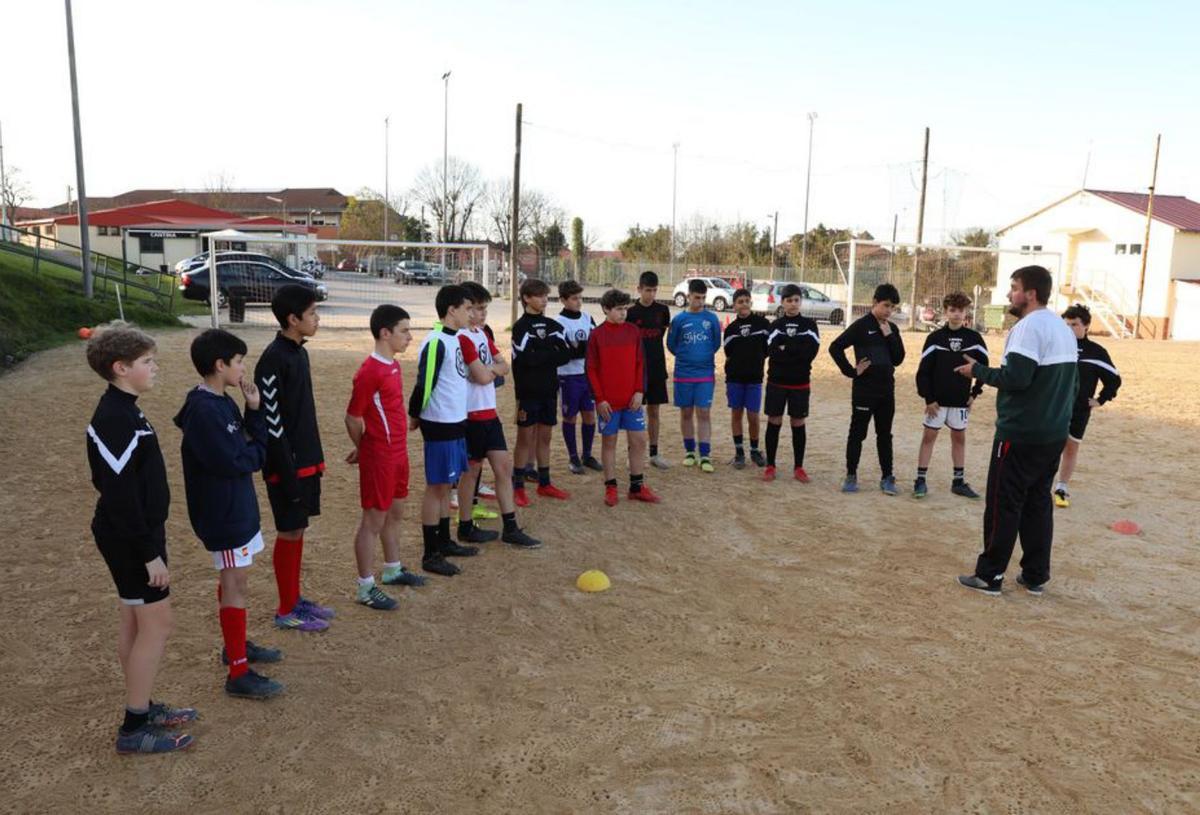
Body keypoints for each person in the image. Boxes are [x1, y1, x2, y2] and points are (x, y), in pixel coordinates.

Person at [85, 323, 197, 754]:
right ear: (121, 368)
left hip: (134, 533)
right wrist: (149, 553)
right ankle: (133, 727)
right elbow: (118, 495)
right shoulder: (115, 417)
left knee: (135, 621)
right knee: (158, 624)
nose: (155, 368)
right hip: (131, 538)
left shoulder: (126, 408)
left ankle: (142, 705)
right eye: (147, 362)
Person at [955, 265, 1079, 596]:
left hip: (1021, 433)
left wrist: (977, 371)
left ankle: (990, 575)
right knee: (1038, 503)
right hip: (1052, 434)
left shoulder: (1028, 328)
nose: (1010, 294)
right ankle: (1035, 575)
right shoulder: (1063, 328)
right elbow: (1072, 384)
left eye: (1014, 288)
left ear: (1031, 293)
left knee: (1003, 503)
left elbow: (1017, 378)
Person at [175, 329, 285, 699]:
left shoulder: (221, 401)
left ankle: (234, 645)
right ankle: (238, 672)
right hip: (222, 513)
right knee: (235, 584)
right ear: (219, 365)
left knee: (236, 581)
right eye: (238, 362)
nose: (243, 368)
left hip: (236, 506)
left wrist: (253, 410)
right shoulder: (204, 410)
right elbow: (237, 460)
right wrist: (259, 449)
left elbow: (243, 446)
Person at [254, 285, 334, 632]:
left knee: (298, 529)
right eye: (312, 313)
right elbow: (272, 424)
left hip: (305, 460)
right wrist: (286, 471)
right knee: (288, 532)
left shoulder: (300, 353)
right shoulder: (273, 360)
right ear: (292, 319)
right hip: (285, 466)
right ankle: (286, 610)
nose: (317, 319)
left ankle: (294, 597)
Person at [408, 284, 496, 576]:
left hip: (457, 421)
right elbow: (425, 382)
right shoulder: (436, 341)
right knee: (437, 487)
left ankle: (445, 541)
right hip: (440, 423)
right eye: (467, 308)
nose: (471, 314)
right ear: (451, 310)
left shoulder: (456, 338)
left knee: (447, 486)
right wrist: (415, 415)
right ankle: (430, 553)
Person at [344, 305, 427, 612]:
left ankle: (392, 569)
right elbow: (352, 417)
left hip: (397, 454)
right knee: (372, 521)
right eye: (404, 331)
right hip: (380, 457)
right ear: (385, 333)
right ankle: (365, 587)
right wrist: (365, 448)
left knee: (395, 513)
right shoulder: (369, 372)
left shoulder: (393, 365)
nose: (410, 337)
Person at [454, 281, 542, 548]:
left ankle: (511, 528)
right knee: (471, 472)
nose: (482, 314)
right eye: (477, 308)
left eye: (485, 309)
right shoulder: (462, 337)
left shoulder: (482, 334)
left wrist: (488, 369)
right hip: (470, 416)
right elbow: (482, 376)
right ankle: (465, 525)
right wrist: (490, 370)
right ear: (464, 308)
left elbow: (503, 367)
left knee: (503, 469)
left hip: (489, 415)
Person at [829, 283, 906, 494]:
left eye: (893, 307)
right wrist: (851, 371)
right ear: (874, 302)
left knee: (885, 434)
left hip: (886, 391)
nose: (889, 311)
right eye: (886, 305)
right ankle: (851, 475)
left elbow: (898, 359)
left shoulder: (892, 328)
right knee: (857, 433)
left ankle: (887, 477)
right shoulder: (861, 326)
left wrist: (889, 336)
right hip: (864, 390)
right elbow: (835, 347)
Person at [587, 289, 661, 506]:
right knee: (609, 443)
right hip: (608, 403)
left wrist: (639, 391)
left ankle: (636, 487)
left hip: (632, 401)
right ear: (606, 309)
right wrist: (599, 399)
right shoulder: (596, 335)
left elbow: (640, 363)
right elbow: (591, 369)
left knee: (639, 440)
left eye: (625, 309)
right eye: (619, 309)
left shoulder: (633, 331)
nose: (623, 313)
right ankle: (610, 487)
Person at [913, 292, 989, 499]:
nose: (956, 314)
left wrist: (974, 393)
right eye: (952, 310)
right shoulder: (935, 338)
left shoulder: (974, 339)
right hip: (937, 402)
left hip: (960, 401)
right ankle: (920, 480)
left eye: (960, 310)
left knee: (959, 438)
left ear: (966, 312)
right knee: (929, 437)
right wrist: (928, 398)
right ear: (945, 311)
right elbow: (923, 372)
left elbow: (984, 369)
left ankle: (958, 482)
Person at [510, 278, 573, 505]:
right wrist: (549, 354)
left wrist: (540, 353)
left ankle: (544, 483)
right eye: (539, 295)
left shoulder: (552, 325)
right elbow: (526, 359)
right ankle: (518, 486)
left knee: (545, 437)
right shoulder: (520, 327)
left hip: (549, 390)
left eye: (546, 295)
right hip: (528, 392)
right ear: (526, 298)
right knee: (525, 439)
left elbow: (566, 354)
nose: (544, 299)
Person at [1053, 303, 1122, 508]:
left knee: (1071, 447)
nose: (1069, 329)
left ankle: (1061, 487)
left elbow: (1114, 380)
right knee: (1047, 446)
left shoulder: (1096, 352)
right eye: (1066, 325)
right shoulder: (1054, 347)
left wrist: (1101, 399)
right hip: (1052, 408)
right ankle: (1039, 484)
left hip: (1079, 410)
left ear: (1086, 326)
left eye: (1074, 324)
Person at [763, 284, 821, 482]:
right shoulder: (775, 326)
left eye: (796, 300)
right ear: (782, 302)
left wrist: (786, 347)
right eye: (789, 300)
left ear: (800, 302)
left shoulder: (810, 325)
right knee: (774, 421)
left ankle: (799, 467)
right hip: (776, 382)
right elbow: (772, 352)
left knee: (798, 422)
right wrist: (795, 349)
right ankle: (770, 465)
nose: (793, 304)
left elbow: (810, 353)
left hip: (800, 383)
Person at [666, 278, 723, 472]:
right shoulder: (679, 320)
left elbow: (716, 343)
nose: (700, 302)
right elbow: (671, 345)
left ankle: (705, 455)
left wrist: (702, 357)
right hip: (683, 373)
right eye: (697, 297)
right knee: (686, 412)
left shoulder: (711, 319)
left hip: (705, 373)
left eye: (703, 298)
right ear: (688, 296)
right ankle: (690, 452)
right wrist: (686, 357)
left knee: (704, 412)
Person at [626, 270, 673, 469]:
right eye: (647, 290)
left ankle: (654, 453)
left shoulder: (663, 310)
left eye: (654, 290)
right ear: (639, 289)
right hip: (635, 370)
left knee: (654, 410)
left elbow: (661, 335)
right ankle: (632, 453)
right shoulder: (630, 313)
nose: (651, 294)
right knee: (634, 411)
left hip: (656, 368)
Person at [556, 279, 602, 474]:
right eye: (574, 298)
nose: (579, 302)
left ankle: (587, 455)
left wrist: (579, 347)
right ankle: (573, 457)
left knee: (590, 416)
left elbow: (594, 344)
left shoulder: (587, 317)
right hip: (568, 377)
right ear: (563, 300)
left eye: (580, 298)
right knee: (570, 417)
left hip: (587, 375)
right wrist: (580, 348)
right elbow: (566, 352)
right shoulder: (558, 323)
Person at [721, 288, 771, 469]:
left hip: (754, 379)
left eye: (746, 301)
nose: (744, 304)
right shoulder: (731, 329)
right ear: (734, 306)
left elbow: (768, 348)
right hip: (735, 378)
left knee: (753, 416)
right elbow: (728, 352)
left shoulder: (763, 324)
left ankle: (755, 450)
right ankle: (739, 452)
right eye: (740, 302)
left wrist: (755, 360)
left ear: (751, 302)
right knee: (736, 414)